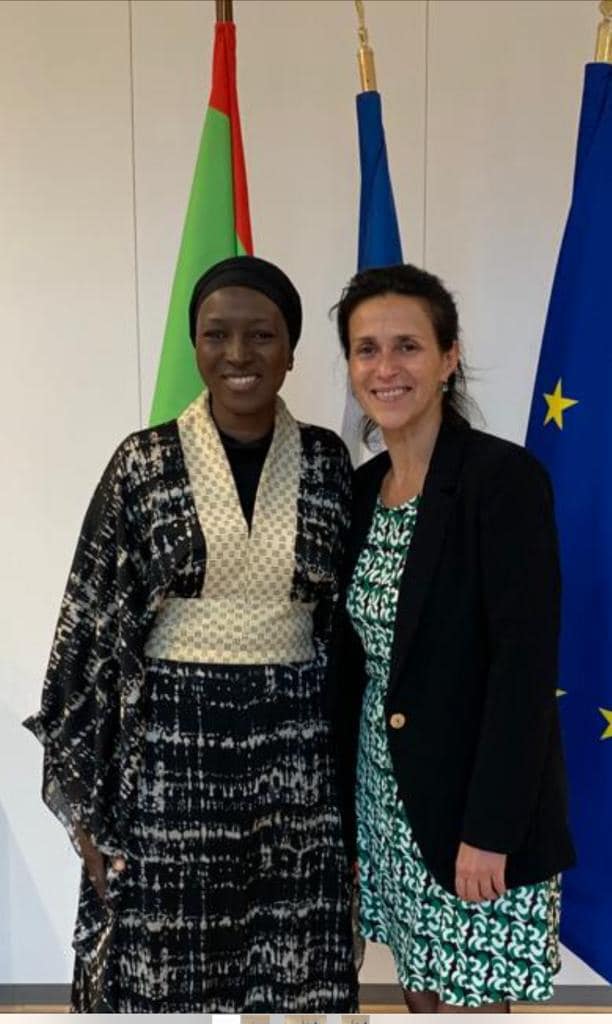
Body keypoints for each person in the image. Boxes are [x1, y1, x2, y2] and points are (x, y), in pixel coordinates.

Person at [24, 255, 358, 1013]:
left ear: (292, 349)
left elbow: (347, 633)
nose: (238, 353)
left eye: (261, 334)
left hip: (295, 760)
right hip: (168, 759)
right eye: (217, 334)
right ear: (195, 344)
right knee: (163, 975)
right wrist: (88, 809)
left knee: (288, 970)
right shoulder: (142, 463)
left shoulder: (327, 463)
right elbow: (86, 631)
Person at [332, 263, 575, 1013]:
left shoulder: (504, 480)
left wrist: (491, 829)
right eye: (367, 349)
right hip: (388, 799)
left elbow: (523, 669)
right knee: (421, 994)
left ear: (448, 357)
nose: (386, 367)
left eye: (407, 346)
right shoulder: (361, 491)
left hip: (475, 809)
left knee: (471, 1001)